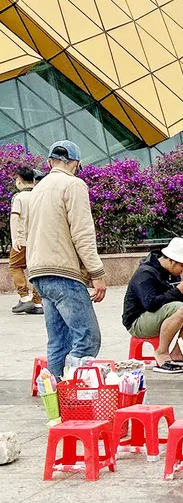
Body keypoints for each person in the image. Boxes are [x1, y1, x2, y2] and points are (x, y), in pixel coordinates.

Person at [23, 141, 105, 379]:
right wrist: (97, 273)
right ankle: (74, 388)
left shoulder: (36, 189)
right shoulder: (74, 184)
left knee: (59, 341)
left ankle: (55, 394)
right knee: (88, 338)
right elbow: (82, 233)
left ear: (50, 162)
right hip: (63, 272)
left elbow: (26, 232)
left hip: (39, 273)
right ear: (76, 163)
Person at [121, 237, 183, 373]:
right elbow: (150, 304)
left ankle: (177, 353)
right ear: (171, 260)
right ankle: (161, 353)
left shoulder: (172, 273)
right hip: (137, 321)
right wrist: (178, 290)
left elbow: (174, 299)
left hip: (159, 314)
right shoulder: (145, 273)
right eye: (182, 266)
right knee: (178, 309)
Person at [9, 167, 42, 315]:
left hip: (22, 240)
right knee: (36, 269)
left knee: (15, 266)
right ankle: (37, 302)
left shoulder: (19, 197)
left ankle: (24, 297)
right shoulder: (39, 195)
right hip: (38, 240)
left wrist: (14, 238)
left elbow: (14, 217)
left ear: (19, 181)